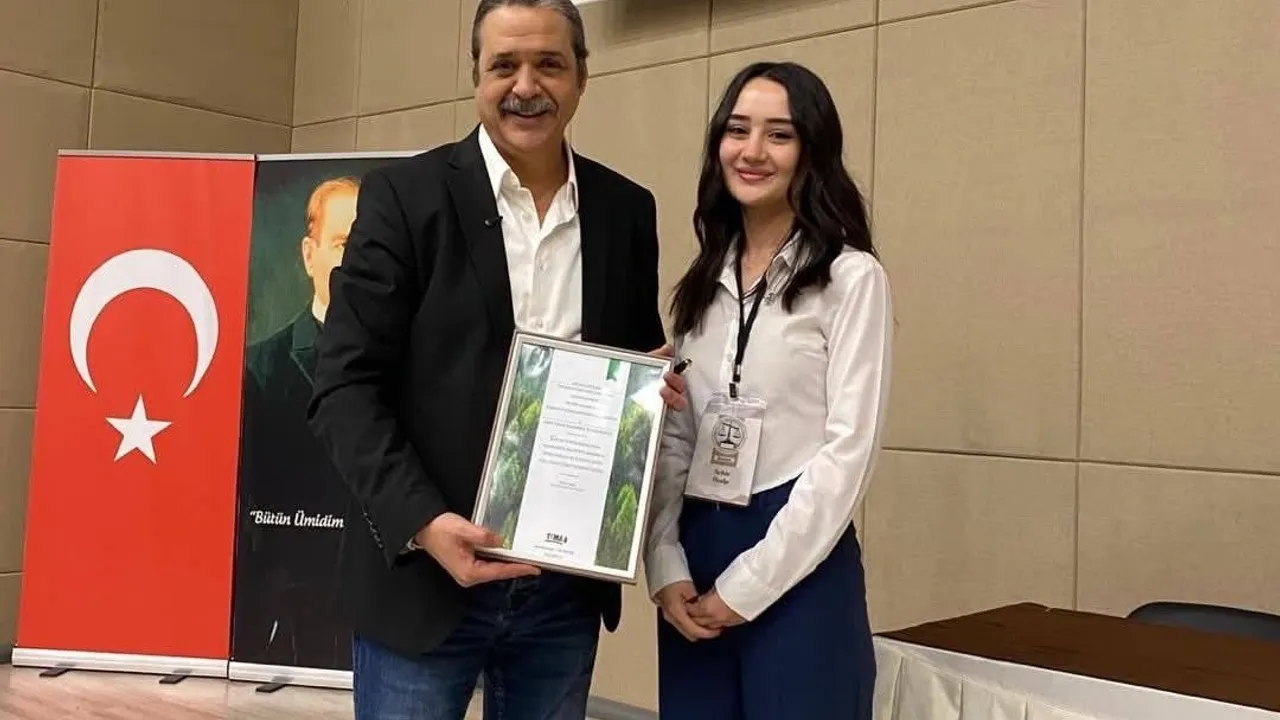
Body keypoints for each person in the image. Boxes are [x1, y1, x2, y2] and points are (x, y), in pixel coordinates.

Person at [305, 1, 687, 718]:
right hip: (423, 582)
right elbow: (344, 386)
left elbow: (633, 364)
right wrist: (424, 523)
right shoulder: (403, 199)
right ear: (476, 75)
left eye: (549, 64)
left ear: (581, 76)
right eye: (504, 65)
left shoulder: (625, 210)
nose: (526, 86)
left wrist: (648, 394)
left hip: (562, 593)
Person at [643, 61, 893, 720]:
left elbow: (848, 454)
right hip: (698, 556)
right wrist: (665, 563)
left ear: (812, 151)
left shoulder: (851, 279)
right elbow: (677, 438)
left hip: (798, 562)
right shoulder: (702, 283)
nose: (752, 151)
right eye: (737, 130)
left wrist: (749, 585)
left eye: (778, 135)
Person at [233, 176, 360, 671]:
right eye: (343, 244)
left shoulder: (416, 368)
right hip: (288, 625)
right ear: (310, 255)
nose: (357, 260)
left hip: (382, 619)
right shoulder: (259, 368)